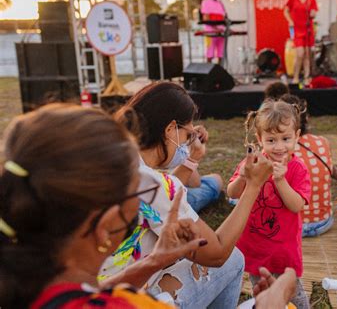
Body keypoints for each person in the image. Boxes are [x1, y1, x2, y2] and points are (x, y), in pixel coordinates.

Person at [0, 104, 208, 308]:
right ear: (105, 227)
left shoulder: (20, 284)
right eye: (138, 190)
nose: (141, 200)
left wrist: (154, 261)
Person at [101, 82, 274, 309]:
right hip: (122, 301)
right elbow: (217, 254)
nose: (185, 143)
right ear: (170, 129)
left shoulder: (113, 157)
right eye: (187, 134)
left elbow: (160, 200)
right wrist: (253, 185)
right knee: (233, 260)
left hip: (88, 292)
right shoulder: (155, 184)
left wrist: (191, 160)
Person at [227, 100, 311, 308]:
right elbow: (232, 192)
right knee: (263, 291)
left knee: (294, 297)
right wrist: (243, 178)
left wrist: (280, 181)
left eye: (286, 138)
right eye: (271, 140)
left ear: (297, 136)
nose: (279, 146)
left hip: (284, 249)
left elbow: (296, 205)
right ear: (259, 139)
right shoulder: (253, 163)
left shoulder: (297, 169)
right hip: (255, 246)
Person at [279, 94, 335, 237]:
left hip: (290, 226)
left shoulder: (278, 150)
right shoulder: (322, 142)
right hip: (323, 221)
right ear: (307, 118)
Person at [171, 124, 224, 212]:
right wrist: (190, 152)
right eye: (189, 124)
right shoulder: (166, 147)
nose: (192, 129)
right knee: (216, 181)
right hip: (162, 204)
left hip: (159, 193)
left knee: (214, 180)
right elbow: (194, 183)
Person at [284, 0, 318, 85]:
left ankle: (306, 77)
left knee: (307, 54)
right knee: (300, 53)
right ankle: (296, 76)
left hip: (308, 29)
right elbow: (286, 11)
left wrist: (313, 13)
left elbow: (314, 12)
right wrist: (290, 21)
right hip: (297, 30)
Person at [201, 0, 226, 64]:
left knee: (221, 54)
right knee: (210, 54)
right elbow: (206, 18)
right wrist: (216, 28)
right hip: (210, 33)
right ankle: (208, 73)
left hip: (221, 33)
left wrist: (223, 28)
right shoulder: (206, 2)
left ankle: (219, 72)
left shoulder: (220, 2)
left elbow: (223, 17)